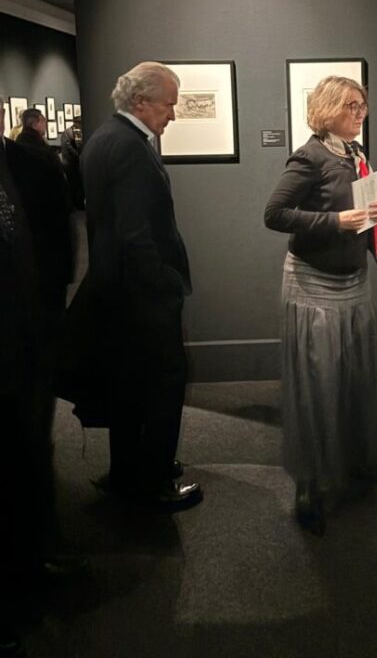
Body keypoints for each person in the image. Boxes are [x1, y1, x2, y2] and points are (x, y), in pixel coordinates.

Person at [264, 75, 377, 536]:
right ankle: (311, 482)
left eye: (362, 106)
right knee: (319, 382)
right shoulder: (310, 157)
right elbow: (274, 214)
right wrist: (336, 221)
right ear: (327, 109)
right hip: (314, 283)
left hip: (353, 280)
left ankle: (352, 458)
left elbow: (360, 209)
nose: (359, 114)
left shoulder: (354, 153)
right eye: (350, 106)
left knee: (353, 373)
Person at [80, 61, 202, 510]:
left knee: (129, 387)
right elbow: (135, 234)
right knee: (164, 384)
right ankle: (153, 483)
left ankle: (128, 472)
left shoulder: (102, 138)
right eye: (169, 105)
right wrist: (164, 284)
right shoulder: (131, 147)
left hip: (117, 290)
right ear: (140, 101)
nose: (173, 114)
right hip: (142, 295)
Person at [0, 95, 76, 658]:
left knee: (25, 457)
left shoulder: (24, 163)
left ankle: (30, 563)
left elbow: (51, 241)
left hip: (26, 339)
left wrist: (47, 318)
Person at [60, 116, 85, 210]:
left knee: (77, 185)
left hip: (74, 163)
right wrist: (80, 156)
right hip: (70, 164)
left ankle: (78, 204)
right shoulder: (69, 133)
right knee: (74, 185)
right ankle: (76, 205)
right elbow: (70, 148)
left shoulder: (74, 132)